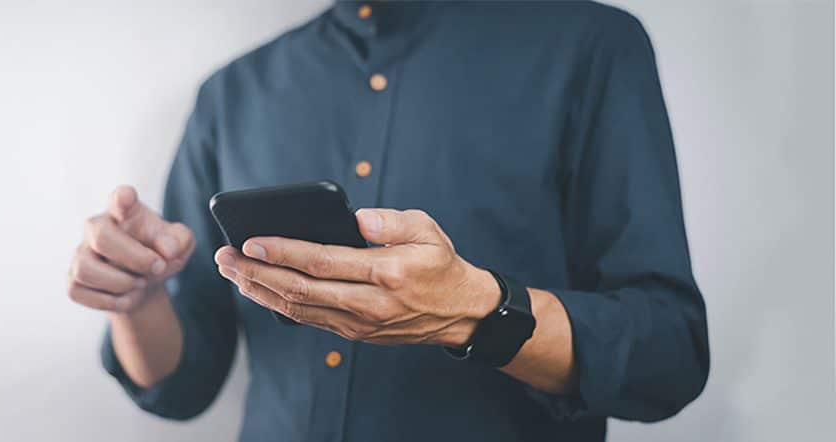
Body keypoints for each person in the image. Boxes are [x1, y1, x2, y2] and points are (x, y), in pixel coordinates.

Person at [66, 2, 710, 441]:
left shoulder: (592, 47)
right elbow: (182, 386)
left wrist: (475, 313)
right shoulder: (232, 93)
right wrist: (139, 298)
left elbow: (668, 356)